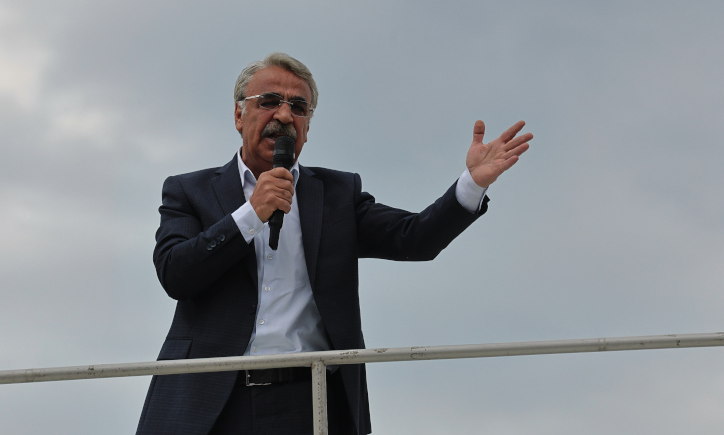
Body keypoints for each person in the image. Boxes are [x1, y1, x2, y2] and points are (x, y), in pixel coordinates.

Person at [136, 52, 533, 435]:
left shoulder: (337, 194)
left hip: (312, 401)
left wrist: (472, 183)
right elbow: (175, 274)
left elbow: (416, 238)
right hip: (209, 403)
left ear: (308, 127)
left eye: (299, 107)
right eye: (269, 101)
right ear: (239, 114)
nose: (284, 116)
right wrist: (251, 215)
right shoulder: (189, 191)